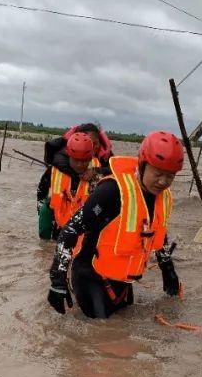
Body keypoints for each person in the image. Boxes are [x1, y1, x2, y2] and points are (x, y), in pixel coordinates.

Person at [47, 131, 183, 319]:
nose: (163, 182)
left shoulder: (163, 197)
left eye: (170, 176)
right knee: (100, 338)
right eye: (158, 174)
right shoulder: (112, 191)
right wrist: (58, 280)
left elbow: (156, 231)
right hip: (91, 276)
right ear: (142, 164)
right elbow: (70, 230)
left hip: (122, 281)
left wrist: (168, 270)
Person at [36, 131, 101, 241]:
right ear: (69, 156)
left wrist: (95, 172)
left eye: (84, 161)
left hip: (83, 227)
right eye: (75, 160)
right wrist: (42, 210)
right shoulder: (54, 170)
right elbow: (41, 190)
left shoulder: (98, 173)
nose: (79, 165)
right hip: (58, 224)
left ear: (90, 158)